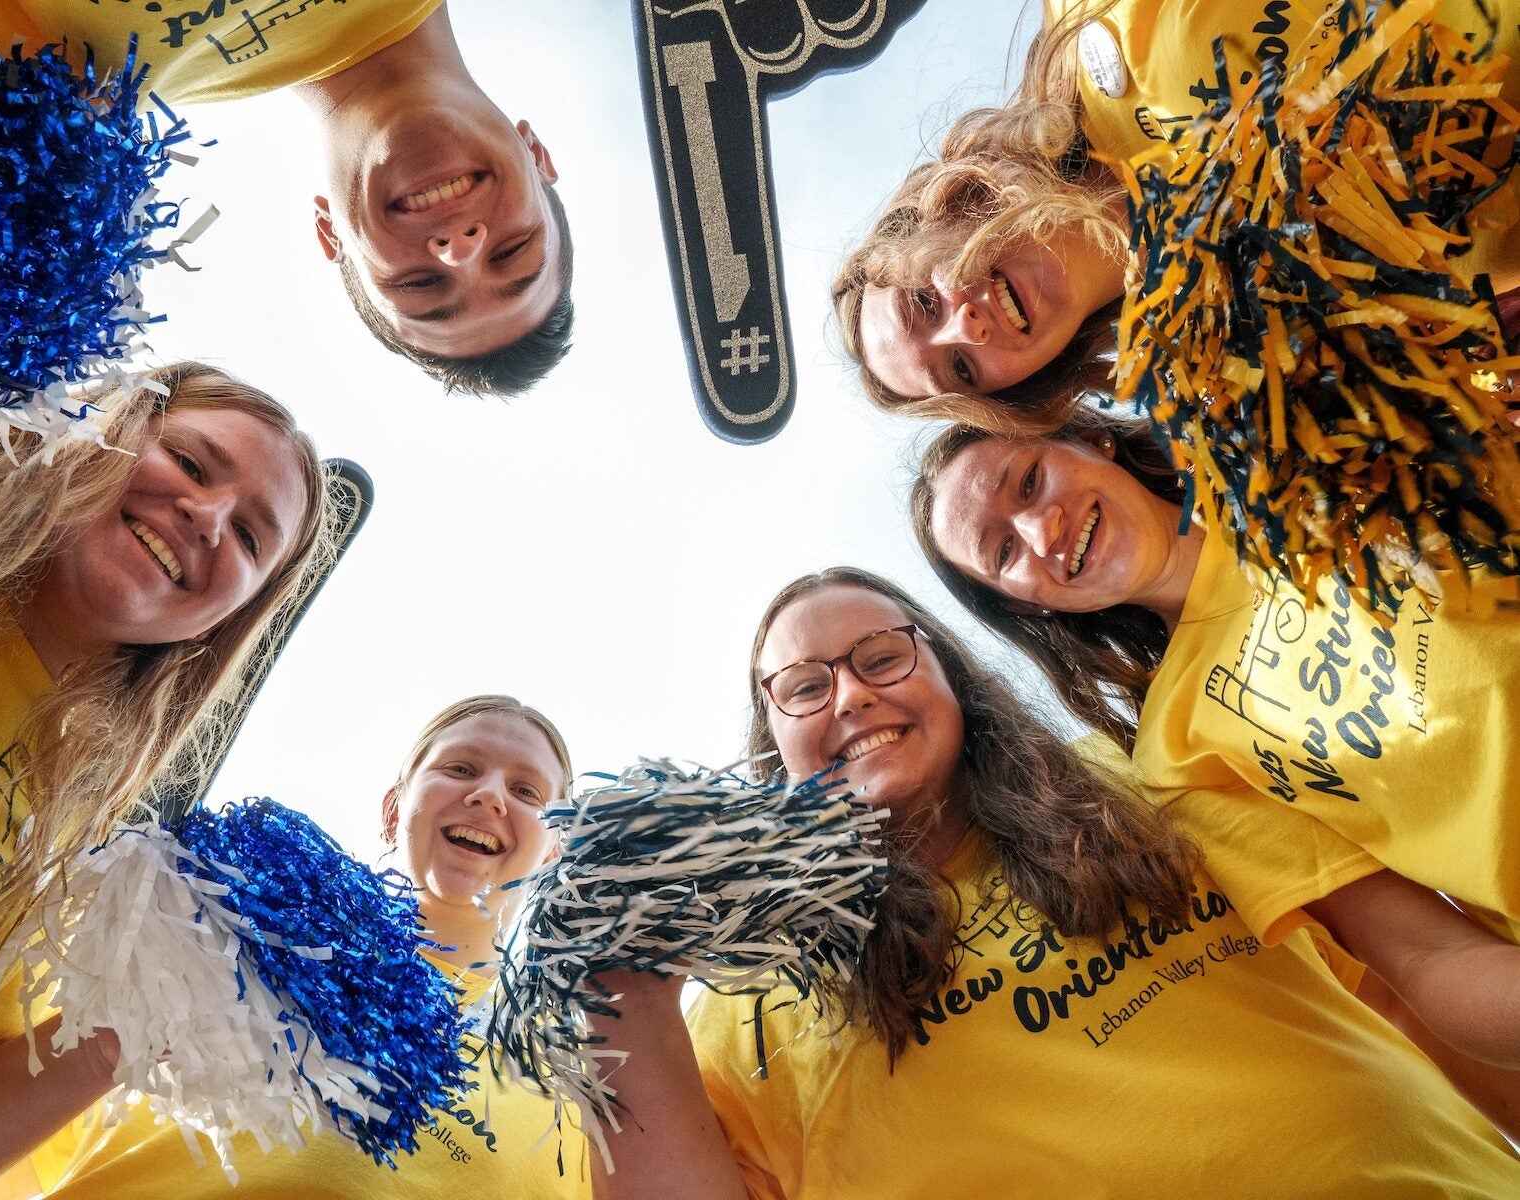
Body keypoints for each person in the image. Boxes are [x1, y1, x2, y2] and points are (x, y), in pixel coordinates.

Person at [588, 567, 1520, 1198]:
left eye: (880, 658)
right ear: (772, 739)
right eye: (802, 687)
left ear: (950, 675)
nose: (851, 695)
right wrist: (613, 987)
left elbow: (1416, 979)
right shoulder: (750, 999)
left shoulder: (1143, 778)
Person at [911, 418, 1520, 1069]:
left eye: (1029, 481)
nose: (1040, 530)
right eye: (1003, 552)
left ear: (1090, 439)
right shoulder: (1178, 755)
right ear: (1025, 605)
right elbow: (1423, 954)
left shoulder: (1297, 452)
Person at [0, 361, 332, 1155]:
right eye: (193, 463)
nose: (207, 517)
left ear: (221, 623)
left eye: (247, 537)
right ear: (106, 423)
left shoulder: (67, 899)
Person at [0, 695, 594, 1200]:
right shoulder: (216, 923)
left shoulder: (570, 1099)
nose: (491, 795)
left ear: (553, 851)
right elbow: (11, 1118)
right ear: (394, 809)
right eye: (460, 768)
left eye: (528, 791)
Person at [830, 0, 1520, 430]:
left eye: (925, 300)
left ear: (943, 211)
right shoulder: (1248, 369)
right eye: (962, 370)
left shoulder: (1096, 20)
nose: (966, 325)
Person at [0, 1, 573, 396]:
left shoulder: (61, 80)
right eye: (514, 250)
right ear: (538, 156)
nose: (459, 248)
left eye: (418, 284)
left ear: (329, 235)